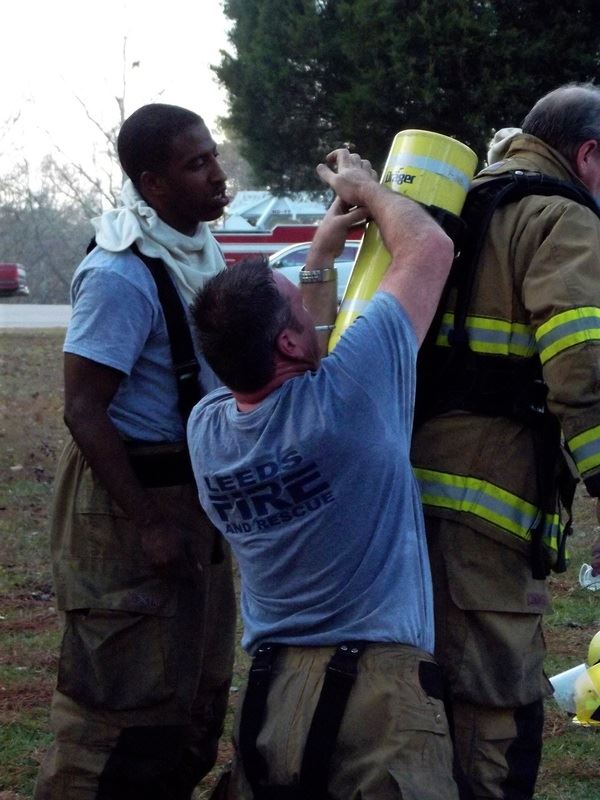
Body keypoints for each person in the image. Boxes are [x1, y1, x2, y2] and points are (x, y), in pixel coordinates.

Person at [187, 149, 458, 800]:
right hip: (380, 695)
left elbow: (302, 339)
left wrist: (317, 253)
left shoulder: (207, 429)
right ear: (287, 343)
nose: (309, 316)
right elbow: (429, 247)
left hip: (274, 696)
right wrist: (365, 188)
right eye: (296, 309)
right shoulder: (351, 397)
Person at [34, 104, 236, 800]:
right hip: (129, 505)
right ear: (152, 184)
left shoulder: (200, 255)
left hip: (190, 500)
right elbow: (84, 409)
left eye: (213, 156)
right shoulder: (122, 273)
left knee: (190, 703)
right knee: (115, 719)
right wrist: (148, 520)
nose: (218, 175)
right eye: (197, 164)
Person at [411, 82, 600, 800]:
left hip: (411, 491)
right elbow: (583, 366)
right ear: (587, 155)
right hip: (489, 507)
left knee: (427, 687)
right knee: (496, 711)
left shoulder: (460, 201)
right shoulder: (563, 218)